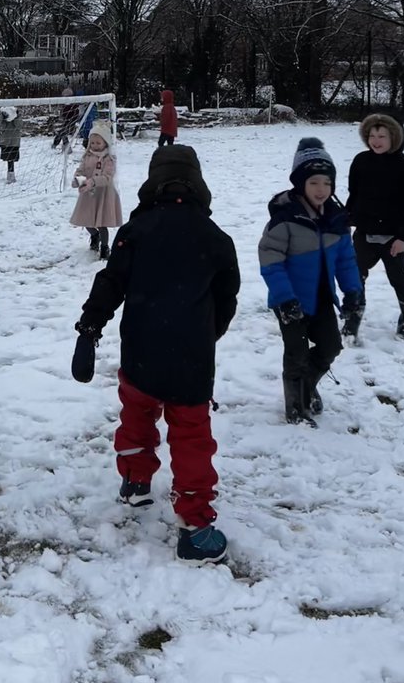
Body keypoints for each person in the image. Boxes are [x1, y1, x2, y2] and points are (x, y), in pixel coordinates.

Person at [71, 145, 240, 564]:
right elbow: (227, 297)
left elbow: (111, 281)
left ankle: (135, 481)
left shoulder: (137, 229)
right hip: (191, 358)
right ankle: (196, 526)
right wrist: (208, 334)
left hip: (142, 350)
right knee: (192, 439)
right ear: (198, 183)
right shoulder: (215, 238)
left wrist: (90, 326)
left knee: (137, 417)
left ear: (153, 183)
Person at [259, 137, 363, 426]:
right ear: (300, 183)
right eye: (315, 182)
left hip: (321, 299)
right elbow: (270, 259)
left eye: (327, 183)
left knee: (330, 346)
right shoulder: (285, 218)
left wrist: (353, 292)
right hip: (290, 301)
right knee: (297, 354)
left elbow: (346, 260)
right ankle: (296, 405)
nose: (322, 190)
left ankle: (307, 385)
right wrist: (284, 298)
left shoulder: (336, 219)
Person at [345, 114, 404, 340]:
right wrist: (347, 218)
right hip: (364, 233)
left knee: (398, 277)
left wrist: (403, 237)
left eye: (382, 136)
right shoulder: (361, 161)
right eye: (372, 136)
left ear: (394, 138)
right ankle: (353, 318)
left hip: (393, 237)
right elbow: (354, 195)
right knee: (355, 275)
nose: (376, 141)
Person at [70, 120, 123, 259]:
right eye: (92, 143)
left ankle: (105, 247)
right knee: (86, 220)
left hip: (103, 194)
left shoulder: (109, 159)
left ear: (105, 142)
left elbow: (107, 177)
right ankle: (95, 235)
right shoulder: (87, 156)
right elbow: (81, 170)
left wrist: (92, 182)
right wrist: (78, 180)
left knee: (102, 223)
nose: (95, 145)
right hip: (88, 194)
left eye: (98, 143)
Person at [0, 106, 22, 183]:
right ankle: (10, 175)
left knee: (12, 159)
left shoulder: (18, 116)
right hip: (5, 141)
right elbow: (1, 127)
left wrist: (16, 116)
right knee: (8, 159)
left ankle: (11, 175)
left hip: (14, 141)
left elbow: (19, 126)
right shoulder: (2, 115)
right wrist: (3, 118)